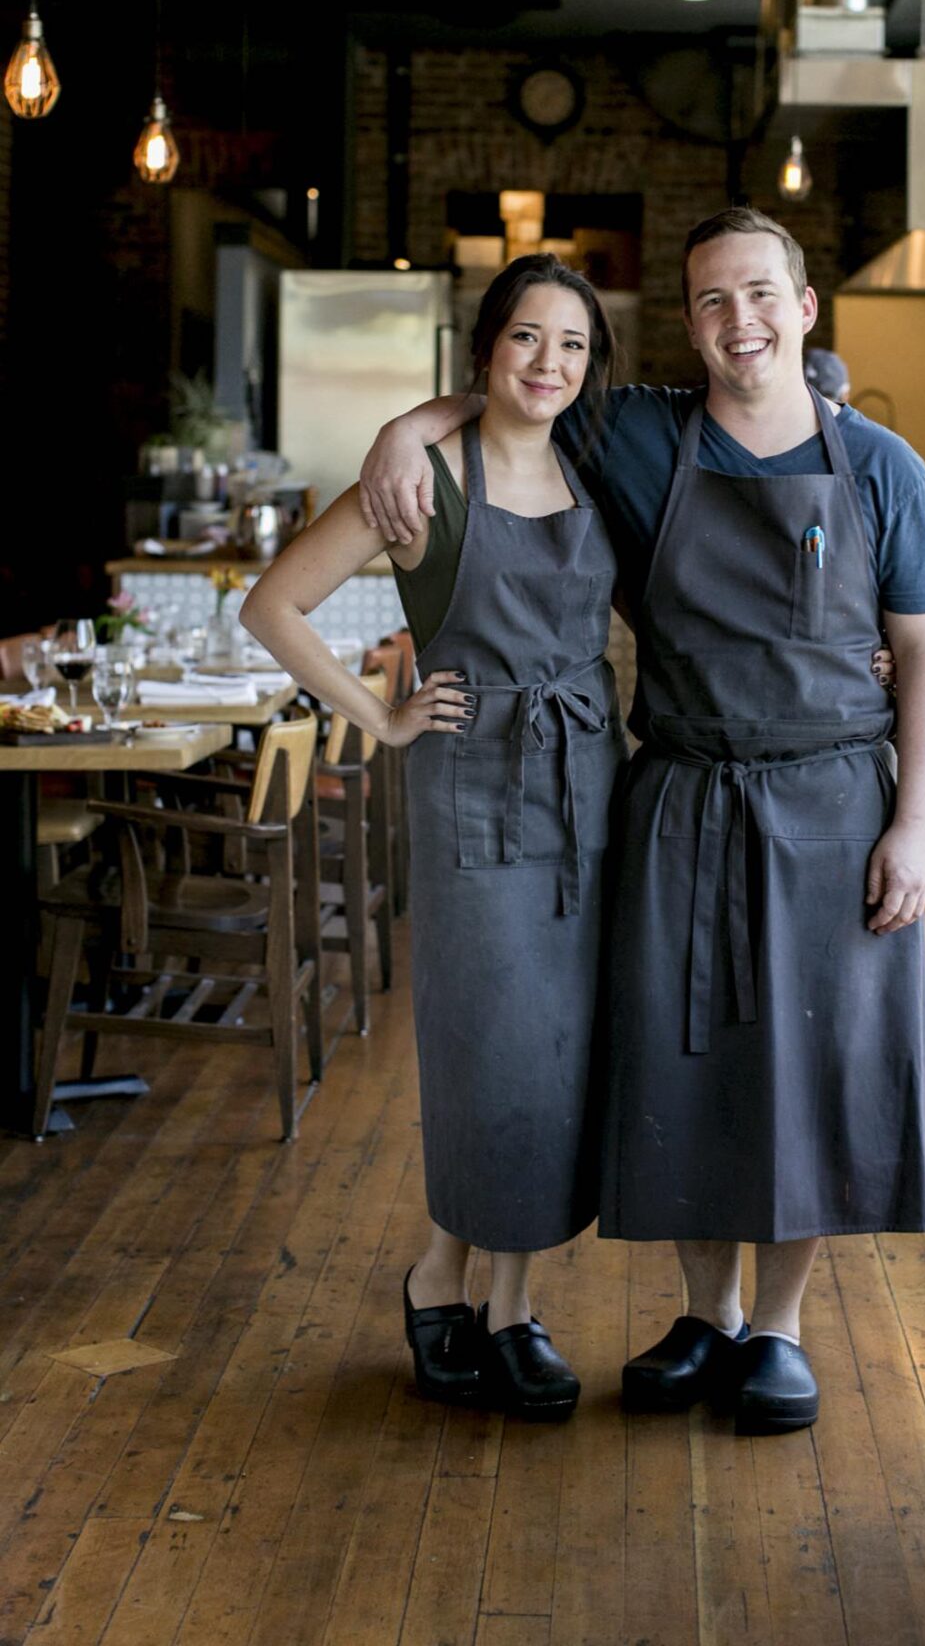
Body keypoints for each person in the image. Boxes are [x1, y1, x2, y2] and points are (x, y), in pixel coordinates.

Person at [359, 206, 925, 1436]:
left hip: (835, 804)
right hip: (682, 789)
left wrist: (917, 824)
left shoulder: (887, 469)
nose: (736, 320)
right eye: (708, 302)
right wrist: (407, 424)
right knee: (693, 1067)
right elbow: (517, 390)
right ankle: (707, 1312)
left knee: (808, 1070)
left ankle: (777, 1330)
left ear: (802, 307)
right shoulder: (640, 435)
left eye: (757, 295)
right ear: (688, 326)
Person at [241, 253, 627, 1423]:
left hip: (585, 790)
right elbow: (272, 605)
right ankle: (451, 1284)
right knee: (491, 1052)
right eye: (525, 338)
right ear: (484, 349)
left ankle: (490, 1296)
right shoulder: (423, 483)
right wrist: (381, 717)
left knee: (561, 1057)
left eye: (570, 343)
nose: (547, 363)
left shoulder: (594, 461)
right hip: (471, 787)